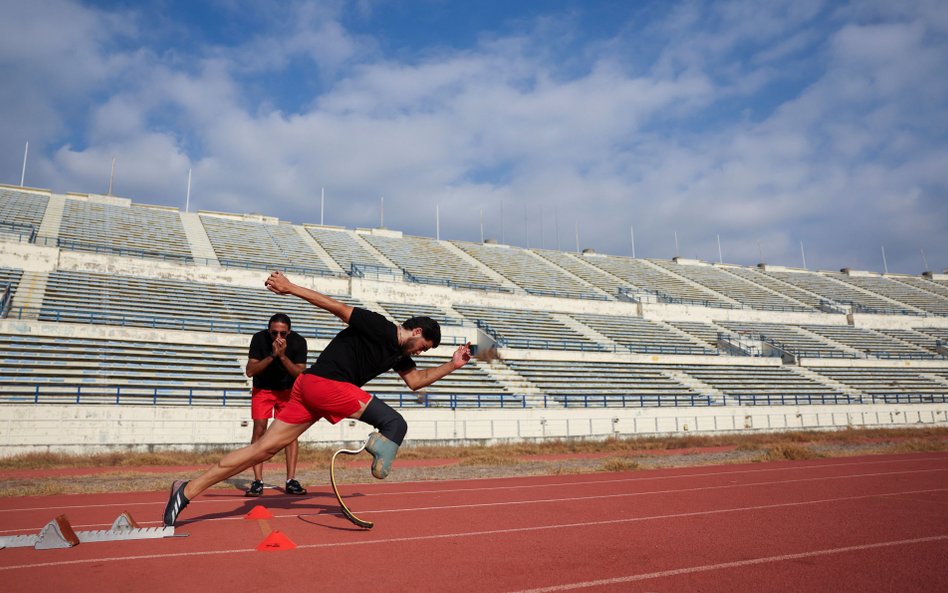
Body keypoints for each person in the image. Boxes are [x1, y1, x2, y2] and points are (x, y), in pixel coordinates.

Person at [163, 270, 472, 526]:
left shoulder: (397, 355)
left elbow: (416, 381)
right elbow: (334, 306)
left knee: (262, 450)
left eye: (426, 352)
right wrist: (289, 288)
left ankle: (186, 490)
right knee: (394, 422)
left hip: (310, 391)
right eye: (424, 346)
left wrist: (452, 365)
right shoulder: (379, 325)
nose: (421, 352)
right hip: (325, 385)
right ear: (416, 330)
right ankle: (378, 444)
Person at [245, 313, 308, 497]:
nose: (278, 338)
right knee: (259, 430)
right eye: (274, 333)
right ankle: (257, 481)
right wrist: (273, 355)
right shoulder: (259, 339)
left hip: (288, 391)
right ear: (268, 330)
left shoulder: (298, 342)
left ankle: (291, 480)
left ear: (289, 332)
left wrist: (282, 357)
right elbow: (250, 371)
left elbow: (300, 374)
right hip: (262, 389)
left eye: (283, 334)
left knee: (290, 433)